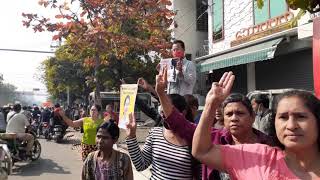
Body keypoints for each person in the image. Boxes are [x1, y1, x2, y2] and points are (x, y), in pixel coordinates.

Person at [192, 75, 320, 179]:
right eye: (283, 117)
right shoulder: (257, 156)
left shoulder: (264, 143)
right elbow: (202, 151)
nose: (291, 126)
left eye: (301, 117)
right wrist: (211, 104)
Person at [156, 69, 275, 180]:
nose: (234, 118)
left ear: (252, 117)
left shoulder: (269, 146)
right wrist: (161, 94)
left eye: (240, 113)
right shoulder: (214, 137)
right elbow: (180, 123)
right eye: (229, 114)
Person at [126, 94, 201, 179]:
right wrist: (131, 137)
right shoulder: (155, 133)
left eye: (168, 110)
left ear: (183, 113)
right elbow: (140, 165)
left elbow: (201, 172)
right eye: (162, 109)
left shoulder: (194, 137)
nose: (163, 113)